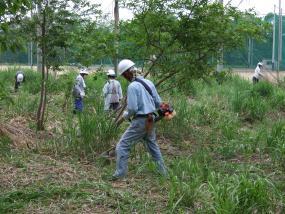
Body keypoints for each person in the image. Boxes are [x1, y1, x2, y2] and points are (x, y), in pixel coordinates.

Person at [111, 59, 167, 180]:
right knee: (152, 145)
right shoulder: (148, 83)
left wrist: (126, 115)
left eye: (123, 75)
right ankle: (163, 173)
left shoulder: (132, 86)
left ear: (126, 73)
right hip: (151, 119)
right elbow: (158, 102)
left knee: (122, 145)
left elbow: (132, 108)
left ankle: (120, 175)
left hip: (140, 121)